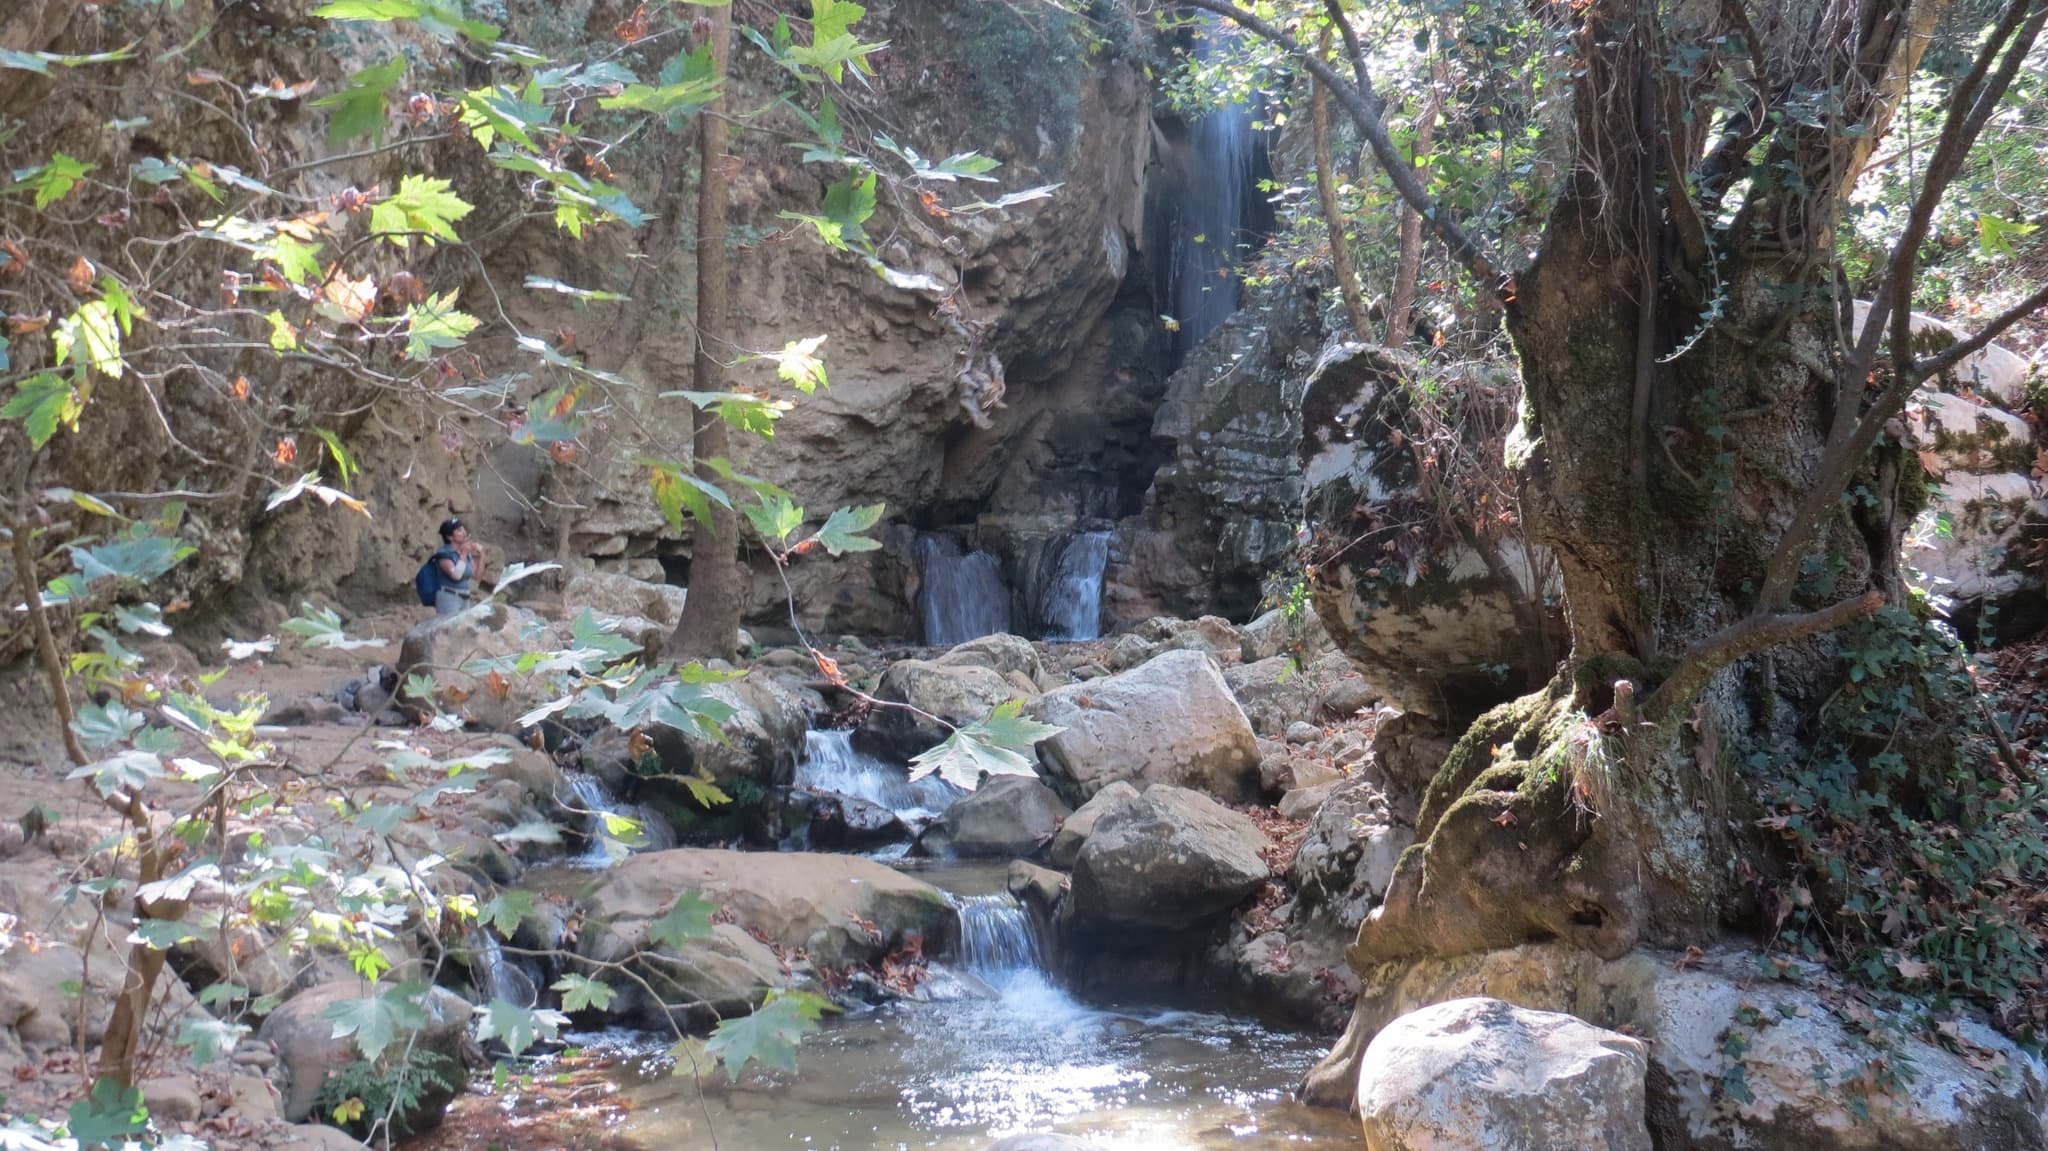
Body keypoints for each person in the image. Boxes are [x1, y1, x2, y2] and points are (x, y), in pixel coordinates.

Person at [432, 517, 486, 617]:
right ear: (450, 537)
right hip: (449, 597)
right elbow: (456, 575)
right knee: (448, 629)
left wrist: (481, 556)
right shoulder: (444, 554)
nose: (464, 533)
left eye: (463, 529)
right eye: (459, 530)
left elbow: (477, 577)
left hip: (464, 597)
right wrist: (464, 554)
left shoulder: (464, 553)